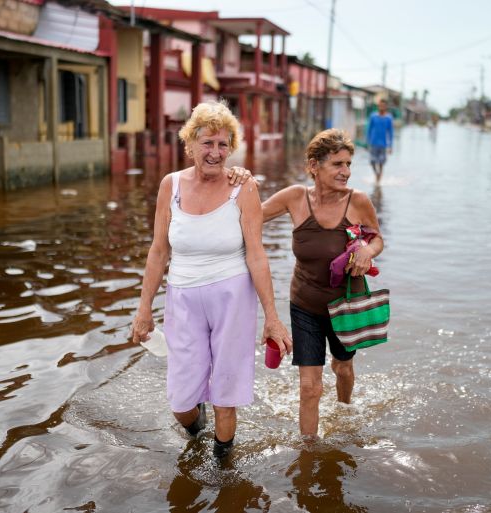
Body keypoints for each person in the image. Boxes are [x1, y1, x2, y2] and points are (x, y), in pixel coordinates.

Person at [130, 101, 292, 459]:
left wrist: (272, 316)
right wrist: (144, 310)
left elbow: (256, 254)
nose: (216, 153)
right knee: (181, 399)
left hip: (233, 297)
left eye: (223, 145)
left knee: (226, 392)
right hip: (183, 298)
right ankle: (195, 429)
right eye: (207, 143)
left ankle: (222, 467)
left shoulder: (243, 188)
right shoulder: (169, 185)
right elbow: (158, 251)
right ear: (189, 145)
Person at [260, 129, 384, 437]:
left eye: (348, 164)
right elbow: (250, 215)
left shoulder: (358, 201)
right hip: (304, 305)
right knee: (309, 387)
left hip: (344, 306)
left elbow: (378, 238)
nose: (346, 172)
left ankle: (344, 410)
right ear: (314, 166)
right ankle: (308, 452)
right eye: (337, 164)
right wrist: (237, 180)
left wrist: (367, 250)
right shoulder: (294, 198)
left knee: (342, 367)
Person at [366, 98, 394, 183]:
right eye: (380, 105)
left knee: (381, 162)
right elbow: (369, 129)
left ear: (386, 107)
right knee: (372, 162)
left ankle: (379, 180)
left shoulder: (388, 118)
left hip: (383, 144)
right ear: (378, 106)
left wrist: (390, 146)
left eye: (383, 106)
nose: (382, 107)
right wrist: (367, 142)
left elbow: (391, 133)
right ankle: (376, 174)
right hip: (373, 143)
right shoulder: (373, 116)